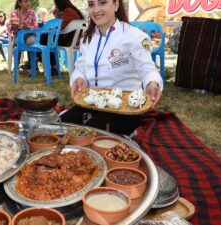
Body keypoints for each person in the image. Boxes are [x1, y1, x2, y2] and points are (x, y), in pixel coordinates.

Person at [60, 0, 163, 135]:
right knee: (59, 127)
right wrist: (79, 78)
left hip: (126, 108)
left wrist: (152, 83)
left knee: (86, 136)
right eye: (91, 5)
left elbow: (147, 68)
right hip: (94, 103)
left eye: (102, 3)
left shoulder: (135, 36)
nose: (96, 10)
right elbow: (80, 67)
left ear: (116, 5)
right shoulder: (87, 38)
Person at [8, 0, 39, 70]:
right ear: (19, 3)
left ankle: (33, 66)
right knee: (17, 42)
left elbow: (36, 27)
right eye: (25, 1)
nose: (28, 3)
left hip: (30, 34)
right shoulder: (14, 13)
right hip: (19, 35)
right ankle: (16, 66)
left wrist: (30, 27)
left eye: (29, 1)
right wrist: (19, 24)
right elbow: (11, 27)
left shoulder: (32, 13)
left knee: (31, 42)